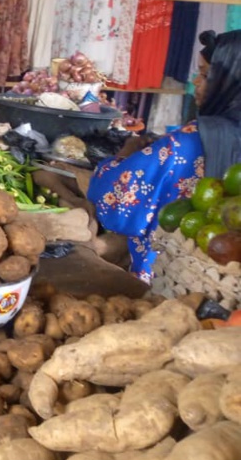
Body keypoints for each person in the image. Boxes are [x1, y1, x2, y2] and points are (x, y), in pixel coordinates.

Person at [88, 30, 241, 281]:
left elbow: (115, 198)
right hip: (223, 284)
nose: (195, 82)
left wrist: (122, 155)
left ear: (230, 81)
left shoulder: (189, 141)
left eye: (205, 74)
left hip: (170, 280)